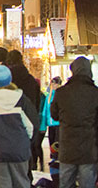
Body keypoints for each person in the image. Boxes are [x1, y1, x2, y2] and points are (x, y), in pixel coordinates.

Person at [50, 56, 98, 188]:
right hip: (89, 150)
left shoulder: (61, 92)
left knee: (65, 184)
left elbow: (54, 115)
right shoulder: (95, 93)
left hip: (67, 149)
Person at [39, 77, 60, 155]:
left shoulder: (60, 96)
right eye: (53, 83)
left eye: (56, 83)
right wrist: (43, 127)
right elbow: (45, 112)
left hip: (58, 124)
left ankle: (57, 158)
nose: (54, 85)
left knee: (57, 144)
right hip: (51, 125)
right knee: (52, 144)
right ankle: (54, 158)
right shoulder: (48, 97)